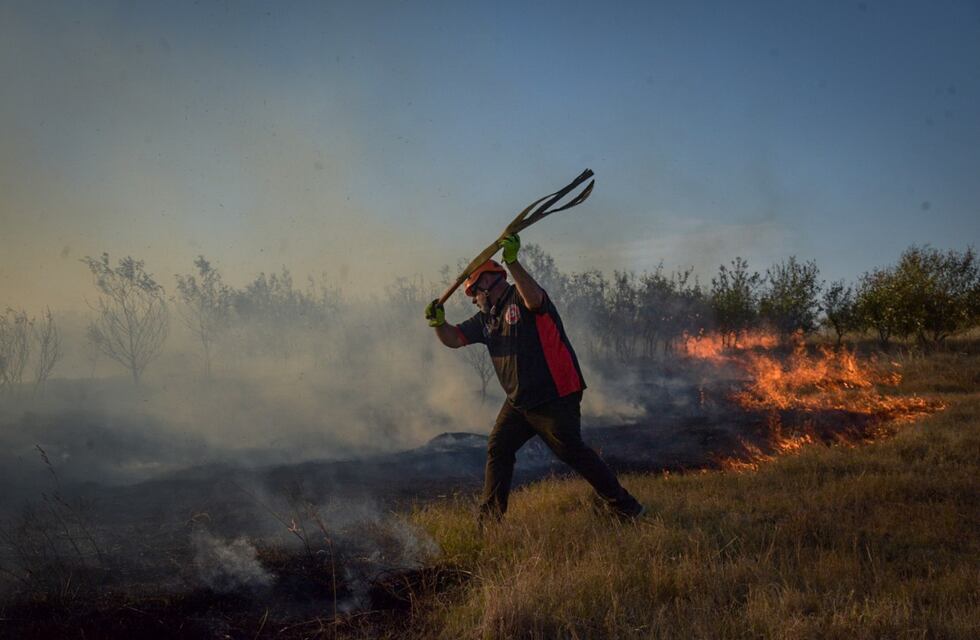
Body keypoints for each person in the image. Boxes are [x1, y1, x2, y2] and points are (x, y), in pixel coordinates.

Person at [424, 234, 645, 523]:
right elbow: (453, 339)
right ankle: (490, 522)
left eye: (474, 293)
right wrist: (440, 324)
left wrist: (513, 261)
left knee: (572, 452)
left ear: (488, 283)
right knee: (498, 448)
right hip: (519, 402)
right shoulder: (485, 320)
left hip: (555, 394)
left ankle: (627, 508)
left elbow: (535, 299)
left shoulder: (522, 295)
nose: (474, 300)